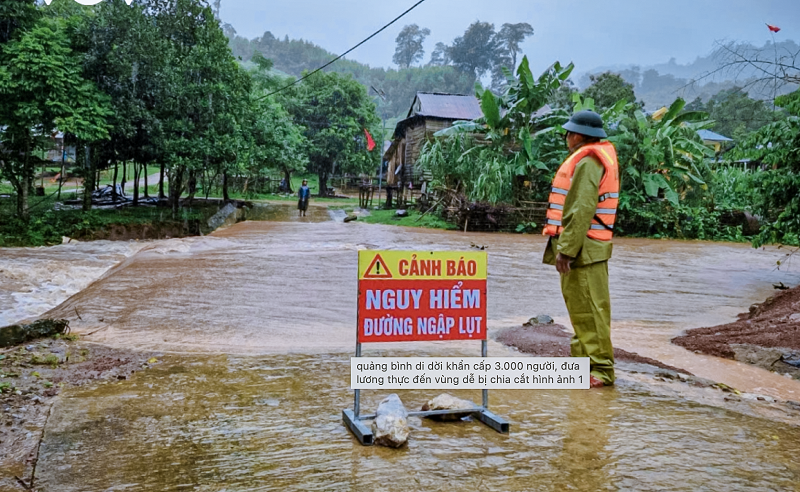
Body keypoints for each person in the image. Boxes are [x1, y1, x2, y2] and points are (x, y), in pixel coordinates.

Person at [542, 110, 620, 388]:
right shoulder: (593, 157)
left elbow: (581, 208)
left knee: (590, 310)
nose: (566, 137)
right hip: (586, 249)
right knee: (581, 309)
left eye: (568, 132)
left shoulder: (589, 161)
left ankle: (600, 370)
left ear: (578, 135)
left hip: (584, 249)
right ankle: (582, 366)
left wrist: (567, 250)